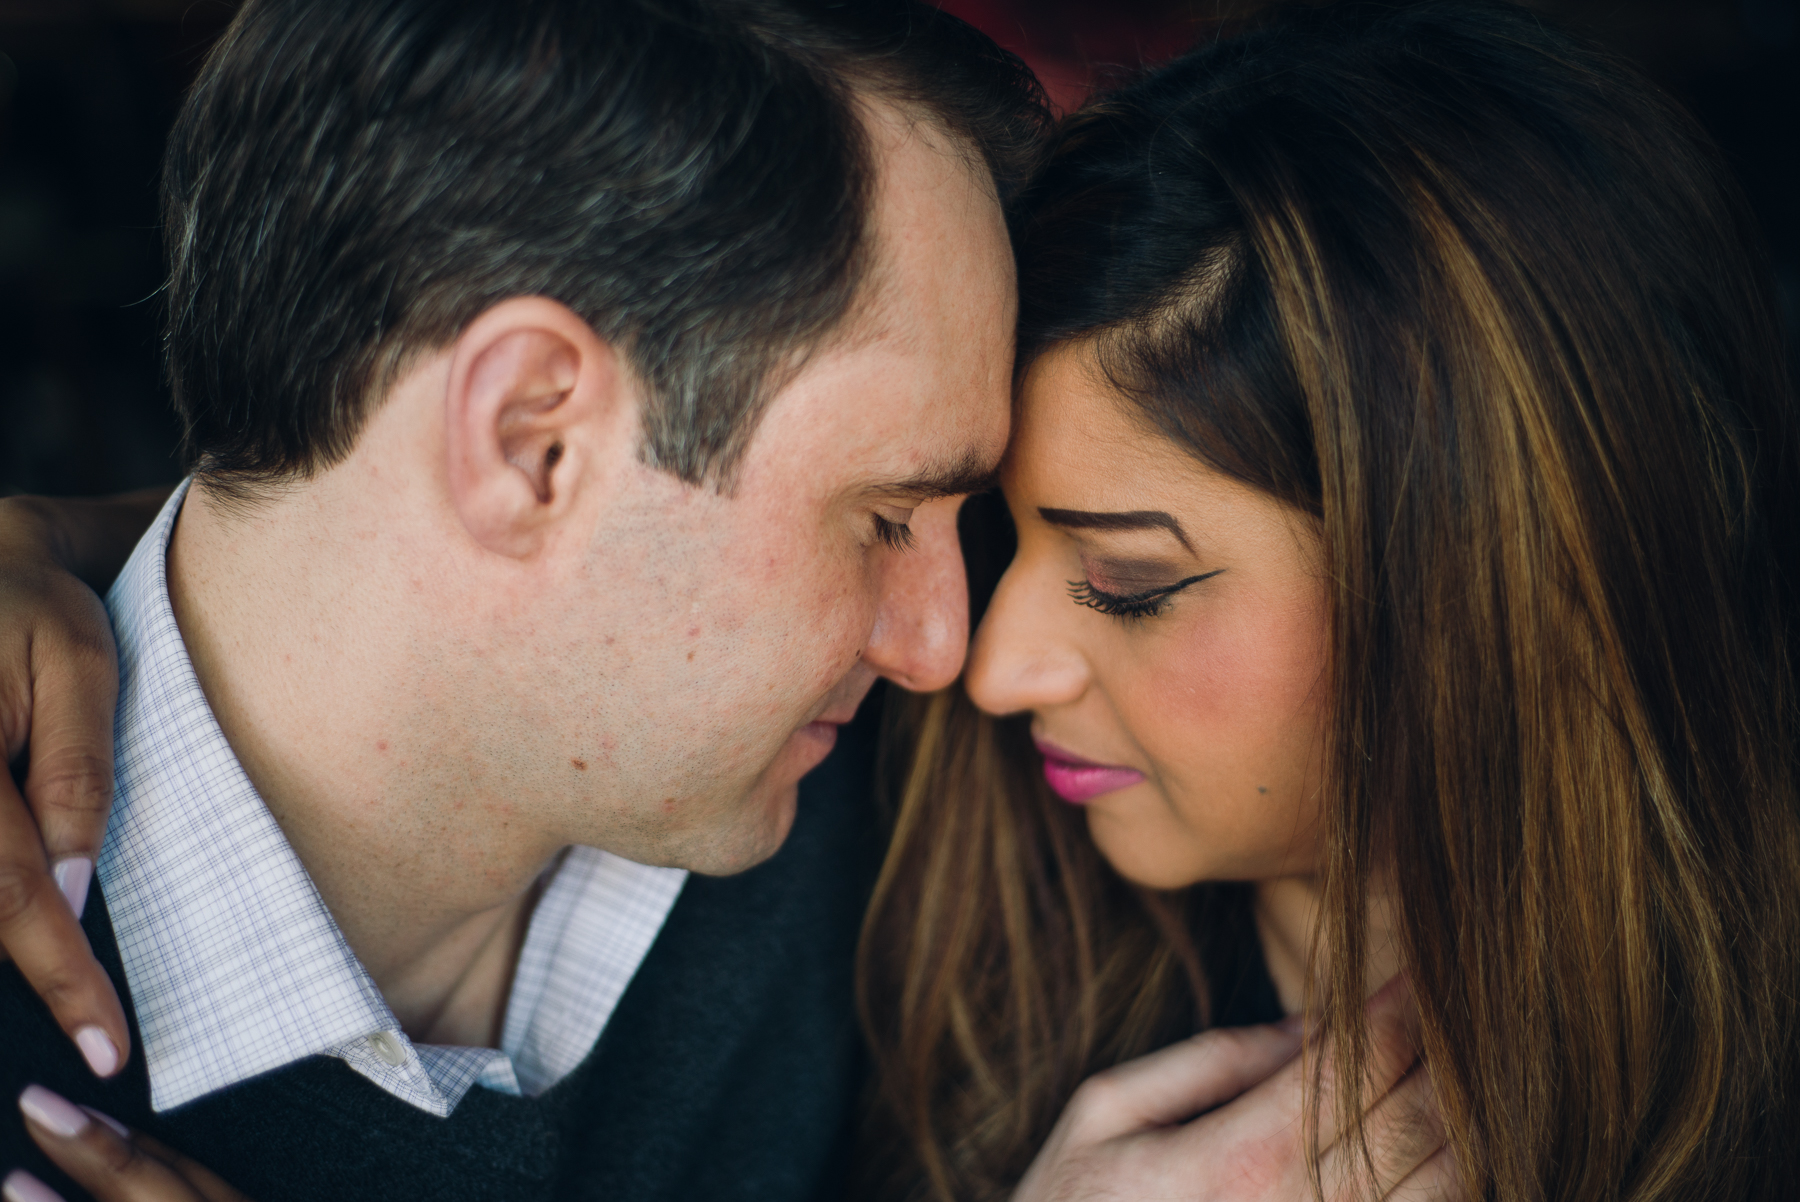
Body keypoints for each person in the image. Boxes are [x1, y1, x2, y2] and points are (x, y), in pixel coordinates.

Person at [0, 1, 1454, 1201]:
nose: (951, 649)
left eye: (974, 526)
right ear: (531, 439)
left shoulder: (961, 824)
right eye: (886, 515)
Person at [854, 2, 1800, 1200]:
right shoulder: (889, 947)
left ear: (1500, 580)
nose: (991, 670)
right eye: (1004, 538)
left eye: (1130, 585)